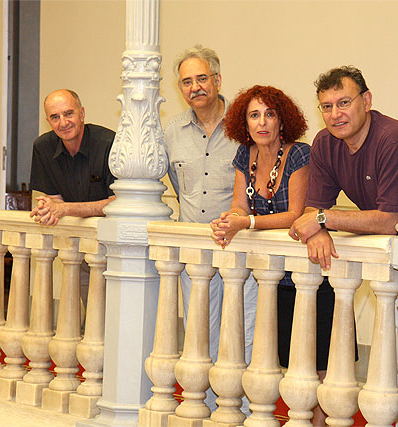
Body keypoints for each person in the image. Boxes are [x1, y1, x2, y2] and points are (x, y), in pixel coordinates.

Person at [209, 85, 336, 425]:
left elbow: (296, 214)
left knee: (320, 362)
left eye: (269, 114)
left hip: (313, 271)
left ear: (283, 120)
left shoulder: (299, 154)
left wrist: (247, 222)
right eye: (254, 115)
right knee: (289, 361)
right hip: (275, 278)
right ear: (244, 122)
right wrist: (230, 219)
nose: (262, 122)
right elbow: (240, 203)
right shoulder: (245, 155)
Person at [163, 45, 258, 413]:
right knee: (201, 336)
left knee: (242, 335)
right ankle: (207, 412)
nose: (195, 87)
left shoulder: (245, 126)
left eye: (202, 78)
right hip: (196, 255)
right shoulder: (171, 132)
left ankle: (241, 413)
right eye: (187, 82)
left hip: (240, 252)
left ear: (218, 80)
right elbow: (177, 186)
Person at [289, 66, 398, 270]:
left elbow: (391, 221)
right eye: (327, 106)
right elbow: (313, 208)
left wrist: (322, 219)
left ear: (366, 101)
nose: (335, 114)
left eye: (344, 103)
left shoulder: (393, 140)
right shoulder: (325, 143)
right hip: (382, 253)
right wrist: (318, 230)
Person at [30, 89, 115, 225]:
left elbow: (117, 204)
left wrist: (65, 208)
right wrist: (48, 208)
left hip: (109, 230)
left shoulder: (109, 144)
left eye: (68, 114)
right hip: (71, 232)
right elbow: (56, 201)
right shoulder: (43, 147)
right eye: (55, 117)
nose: (63, 123)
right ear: (48, 121)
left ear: (82, 114)